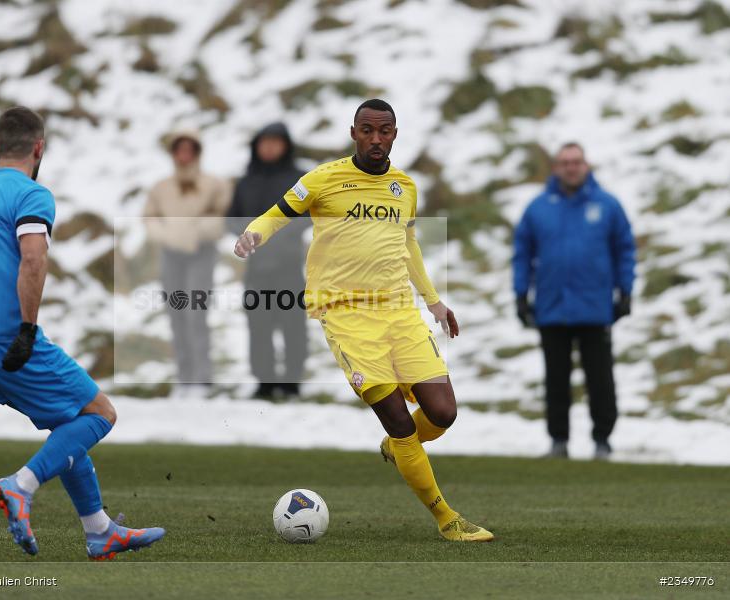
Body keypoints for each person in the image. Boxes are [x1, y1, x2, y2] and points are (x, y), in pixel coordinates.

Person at [234, 99, 493, 542]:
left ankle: (398, 450)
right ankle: (447, 518)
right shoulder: (324, 179)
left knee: (443, 412)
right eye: (368, 130)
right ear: (353, 132)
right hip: (345, 314)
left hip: (399, 312)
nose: (376, 139)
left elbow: (407, 245)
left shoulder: (404, 187)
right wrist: (255, 231)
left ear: (395, 134)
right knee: (399, 420)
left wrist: (433, 302)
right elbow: (280, 212)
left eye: (385, 131)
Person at [0, 107, 164, 559]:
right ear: (39, 148)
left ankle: (100, 530)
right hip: (4, 338)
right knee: (99, 414)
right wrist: (27, 330)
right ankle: (20, 486)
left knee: (67, 424)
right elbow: (33, 259)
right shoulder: (32, 195)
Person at [512, 142, 636, 460]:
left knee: (600, 380)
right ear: (556, 168)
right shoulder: (538, 208)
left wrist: (626, 290)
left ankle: (602, 441)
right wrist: (520, 294)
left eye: (576, 162)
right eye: (565, 162)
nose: (571, 167)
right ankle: (558, 442)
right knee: (556, 379)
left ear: (586, 165)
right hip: (552, 308)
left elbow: (625, 249)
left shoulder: (608, 205)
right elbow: (522, 252)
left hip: (596, 309)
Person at [144, 130, 230, 398]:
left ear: (197, 153)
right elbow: (149, 218)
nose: (184, 156)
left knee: (196, 314)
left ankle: (202, 380)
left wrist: (195, 234)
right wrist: (168, 236)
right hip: (171, 256)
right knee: (176, 314)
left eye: (189, 150)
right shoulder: (161, 187)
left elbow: (222, 217)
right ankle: (183, 377)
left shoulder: (215, 184)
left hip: (200, 254)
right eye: (179, 150)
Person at [227, 122, 309, 400]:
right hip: (256, 268)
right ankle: (264, 382)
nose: (270, 147)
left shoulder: (300, 179)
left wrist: (283, 236)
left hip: (289, 266)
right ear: (256, 146)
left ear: (286, 146)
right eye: (265, 141)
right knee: (258, 325)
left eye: (276, 141)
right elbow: (231, 218)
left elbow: (309, 215)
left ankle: (292, 383)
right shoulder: (246, 181)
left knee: (293, 325)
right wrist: (247, 235)